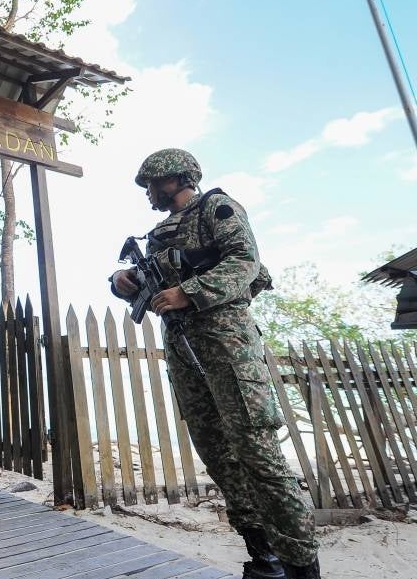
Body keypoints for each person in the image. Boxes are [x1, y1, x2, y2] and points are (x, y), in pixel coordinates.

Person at [109, 149, 320, 579]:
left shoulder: (217, 208)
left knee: (259, 456)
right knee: (219, 456)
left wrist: (190, 292)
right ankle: (266, 559)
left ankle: (302, 566)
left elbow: (246, 262)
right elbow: (150, 294)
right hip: (185, 351)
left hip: (228, 347)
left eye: (152, 183)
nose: (148, 193)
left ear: (175, 179)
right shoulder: (158, 234)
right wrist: (122, 283)